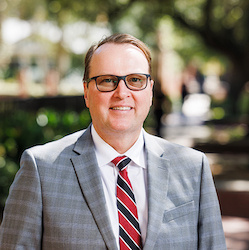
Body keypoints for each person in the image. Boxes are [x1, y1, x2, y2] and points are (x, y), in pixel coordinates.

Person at [0, 33, 226, 249]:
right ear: (86, 93)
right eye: (107, 81)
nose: (121, 92)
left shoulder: (193, 168)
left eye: (135, 80)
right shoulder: (41, 169)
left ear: (150, 91)